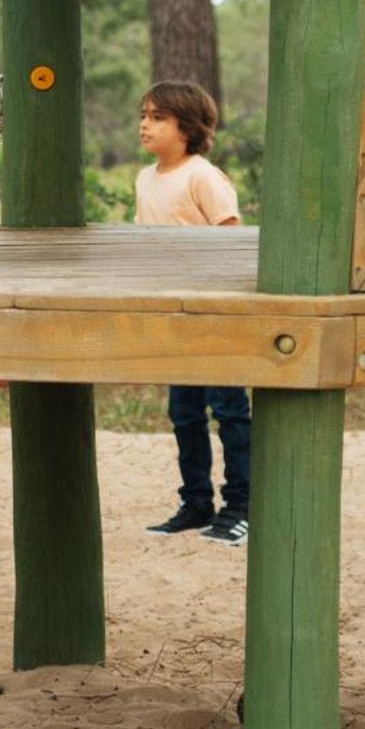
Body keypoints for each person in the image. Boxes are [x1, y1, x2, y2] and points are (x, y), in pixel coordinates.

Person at [133, 80, 250, 546]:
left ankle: (241, 507)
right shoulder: (145, 178)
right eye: (143, 115)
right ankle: (197, 503)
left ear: (188, 127)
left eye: (158, 117)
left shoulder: (202, 175)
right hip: (174, 315)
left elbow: (231, 233)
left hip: (215, 315)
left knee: (230, 411)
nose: (145, 124)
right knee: (184, 413)